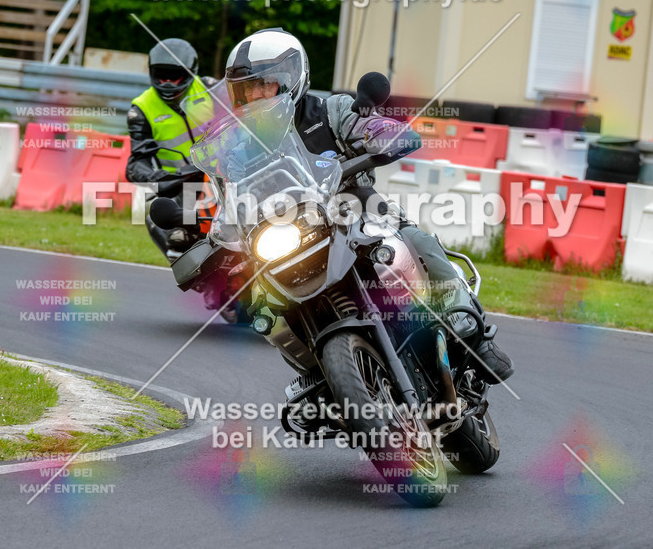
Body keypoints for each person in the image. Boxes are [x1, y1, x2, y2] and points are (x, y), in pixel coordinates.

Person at [221, 28, 513, 384]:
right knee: (261, 303)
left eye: (263, 85)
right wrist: (213, 240)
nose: (254, 97)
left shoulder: (331, 112)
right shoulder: (238, 152)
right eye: (246, 90)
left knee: (415, 239)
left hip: (357, 213)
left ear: (290, 79)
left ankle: (467, 326)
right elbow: (229, 202)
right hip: (287, 235)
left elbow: (368, 126)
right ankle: (317, 373)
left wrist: (383, 132)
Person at [126, 38, 216, 253]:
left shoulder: (212, 90)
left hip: (224, 175)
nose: (168, 83)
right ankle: (191, 272)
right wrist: (163, 179)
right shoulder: (141, 109)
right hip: (182, 186)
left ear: (190, 72)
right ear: (152, 72)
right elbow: (136, 163)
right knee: (162, 226)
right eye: (162, 76)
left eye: (176, 77)